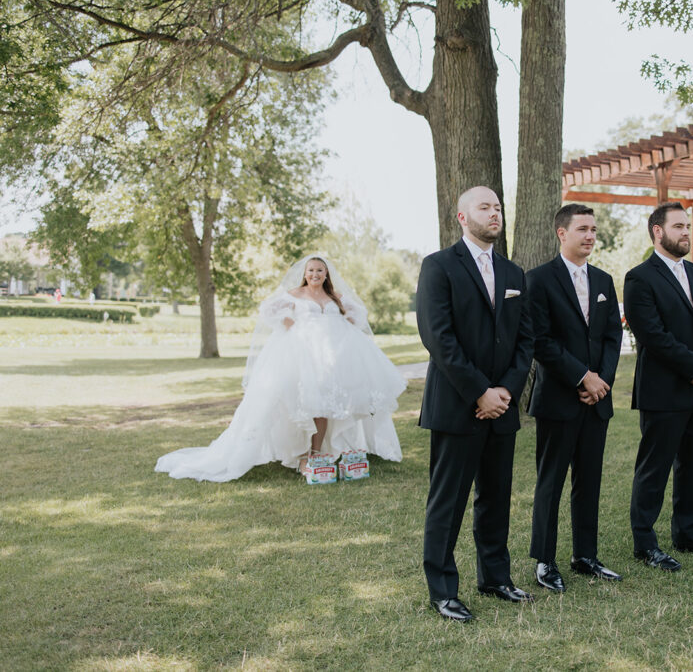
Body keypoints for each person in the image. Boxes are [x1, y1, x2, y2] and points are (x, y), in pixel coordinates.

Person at [155, 254, 406, 482]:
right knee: (299, 404)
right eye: (311, 271)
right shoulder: (296, 293)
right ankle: (302, 453)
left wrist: (346, 321)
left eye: (320, 270)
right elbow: (268, 309)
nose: (315, 275)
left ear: (326, 274)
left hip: (332, 359)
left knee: (326, 406)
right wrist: (287, 321)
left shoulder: (334, 298)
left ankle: (317, 453)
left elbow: (358, 315)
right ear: (305, 273)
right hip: (303, 356)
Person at [416, 186, 534, 622]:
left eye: (498, 207)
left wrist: (504, 392)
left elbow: (526, 340)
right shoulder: (439, 266)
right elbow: (438, 338)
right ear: (462, 217)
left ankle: (496, 578)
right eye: (485, 207)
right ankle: (443, 590)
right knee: (448, 501)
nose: (495, 213)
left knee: (496, 497)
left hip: (502, 406)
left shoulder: (515, 273)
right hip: (457, 404)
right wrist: (479, 391)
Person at [623, 201, 693, 569]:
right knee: (654, 468)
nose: (687, 232)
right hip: (664, 390)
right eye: (679, 226)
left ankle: (688, 533)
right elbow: (652, 334)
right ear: (658, 231)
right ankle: (645, 543)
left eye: (689, 226)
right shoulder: (639, 277)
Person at [527, 204, 623, 592]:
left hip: (596, 400)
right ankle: (544, 562)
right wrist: (582, 377)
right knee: (551, 482)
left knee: (590, 480)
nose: (590, 236)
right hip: (558, 398)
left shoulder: (603, 280)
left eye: (594, 230)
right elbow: (540, 341)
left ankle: (586, 555)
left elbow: (613, 337)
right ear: (561, 233)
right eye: (582, 229)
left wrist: (601, 382)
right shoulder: (538, 279)